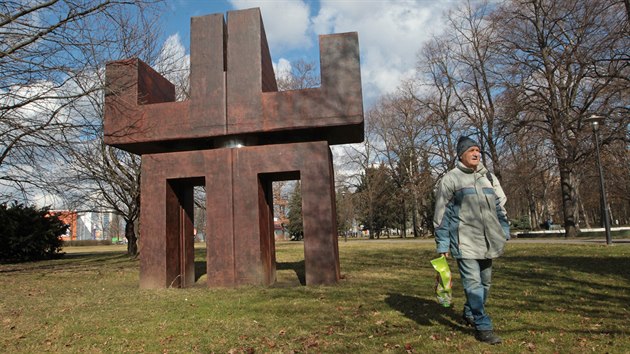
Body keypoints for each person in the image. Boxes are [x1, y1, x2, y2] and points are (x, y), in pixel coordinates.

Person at [433, 136, 510, 345]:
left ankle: (470, 312)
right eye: (471, 151)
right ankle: (483, 326)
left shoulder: (488, 178)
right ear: (461, 155)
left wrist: (504, 229)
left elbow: (498, 208)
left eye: (478, 150)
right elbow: (441, 215)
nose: (476, 154)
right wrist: (443, 244)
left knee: (485, 283)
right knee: (473, 283)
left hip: (489, 242)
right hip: (464, 241)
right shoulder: (451, 179)